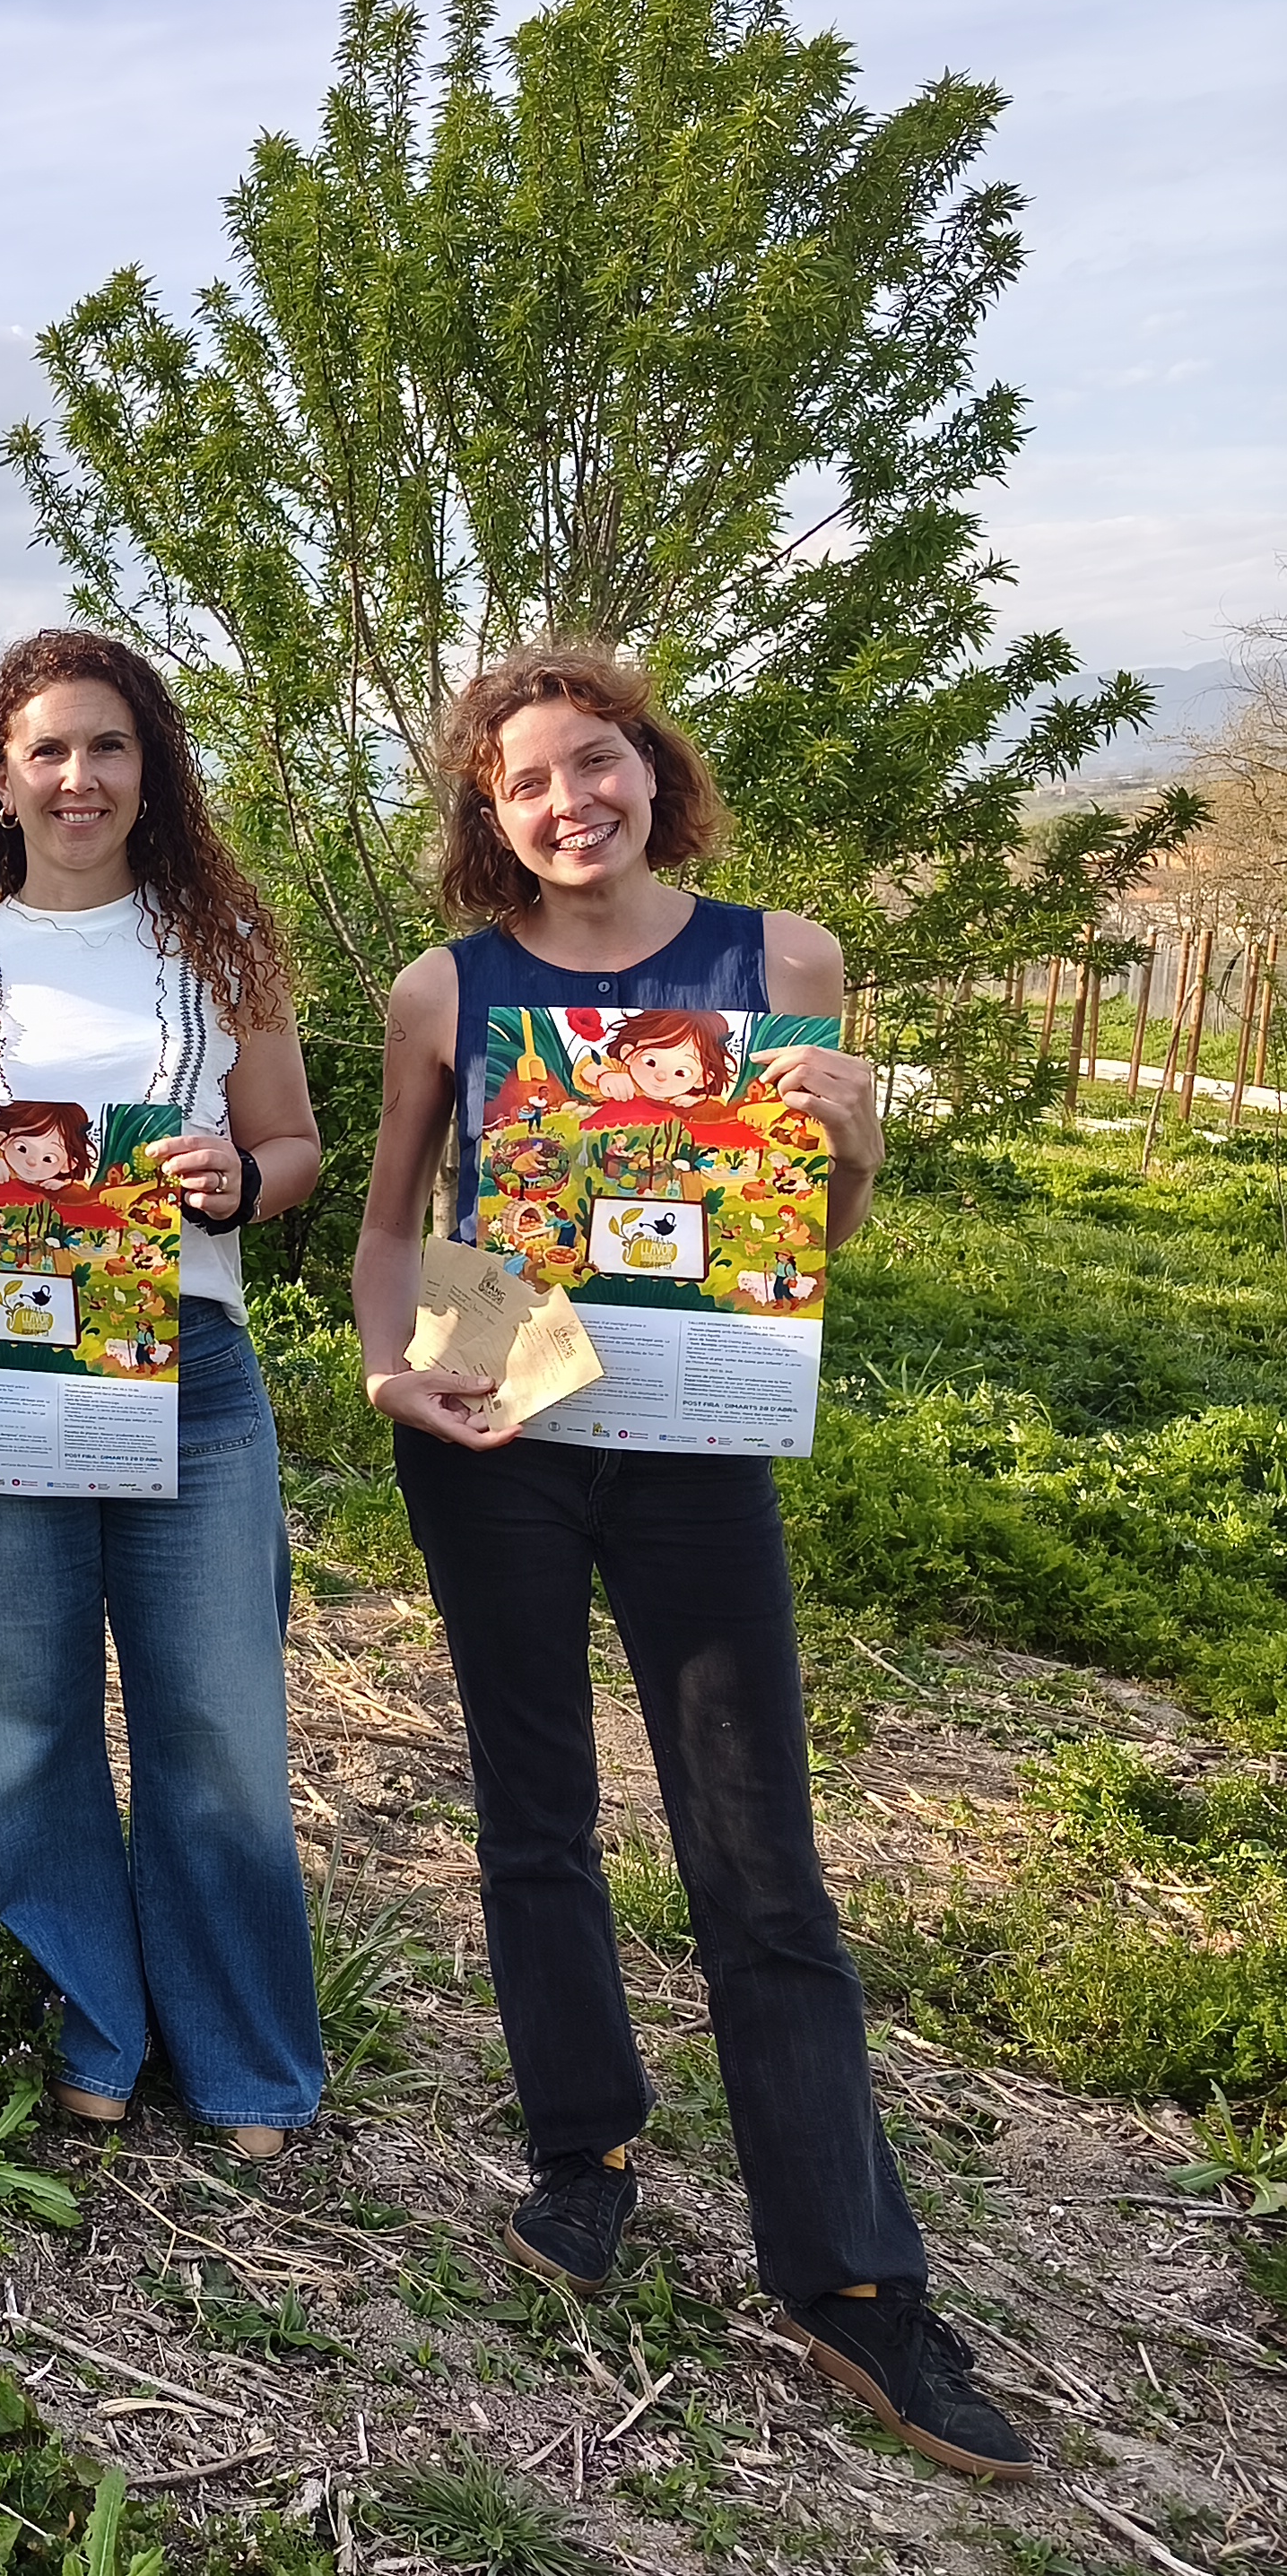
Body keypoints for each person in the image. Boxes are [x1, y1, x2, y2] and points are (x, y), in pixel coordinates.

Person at [352, 644, 1039, 2482]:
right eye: (528, 784)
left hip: (695, 1432)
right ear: (489, 818)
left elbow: (801, 1243)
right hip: (503, 1410)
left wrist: (858, 1138)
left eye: (598, 765)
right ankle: (585, 2155)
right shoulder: (452, 989)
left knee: (758, 1851)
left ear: (654, 772)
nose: (570, 803)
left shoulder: (781, 963)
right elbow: (395, 1220)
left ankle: (853, 2280)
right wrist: (389, 1368)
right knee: (533, 1814)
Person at [0, 629, 328, 2159]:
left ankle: (242, 2054)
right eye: (46, 749)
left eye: (107, 747)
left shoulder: (222, 948)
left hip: (193, 1375)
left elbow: (297, 1150)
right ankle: (97, 2019)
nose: (78, 776)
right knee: (25, 1718)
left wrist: (235, 1182)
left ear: (148, 769)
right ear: (0, 776)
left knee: (219, 1721)